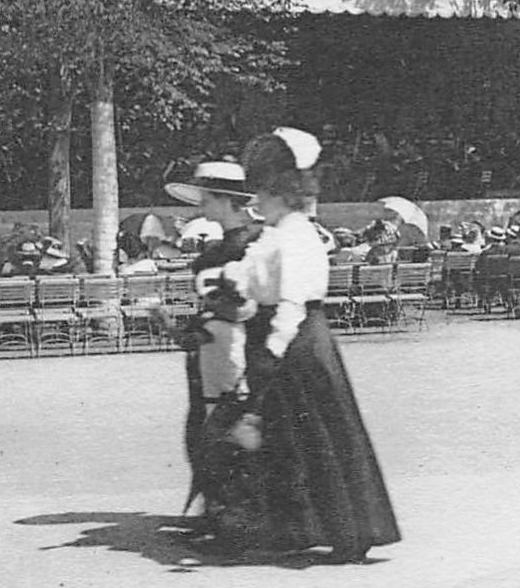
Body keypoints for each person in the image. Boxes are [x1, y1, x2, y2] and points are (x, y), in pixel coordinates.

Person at [216, 127, 400, 561]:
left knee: (318, 438)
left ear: (281, 193)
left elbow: (294, 302)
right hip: (279, 337)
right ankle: (298, 527)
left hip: (297, 341)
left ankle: (351, 532)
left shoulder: (297, 235)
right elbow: (252, 286)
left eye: (261, 192)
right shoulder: (274, 233)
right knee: (288, 439)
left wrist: (271, 351)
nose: (255, 201)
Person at [162, 160, 263, 530]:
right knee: (203, 430)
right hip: (210, 353)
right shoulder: (212, 253)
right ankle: (216, 507)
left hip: (244, 353)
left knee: (233, 430)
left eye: (206, 198)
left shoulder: (258, 243)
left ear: (225, 200)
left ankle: (237, 514)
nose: (200, 206)